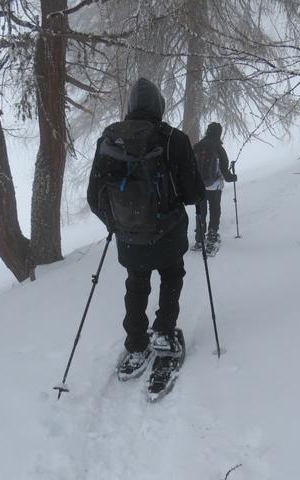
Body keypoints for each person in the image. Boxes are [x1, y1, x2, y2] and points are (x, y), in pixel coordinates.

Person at [87, 78, 204, 381]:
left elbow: (94, 196)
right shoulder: (173, 139)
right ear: (158, 107)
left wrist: (118, 224)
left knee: (136, 283)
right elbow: (193, 193)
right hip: (168, 233)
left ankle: (136, 344)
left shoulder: (109, 140)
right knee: (170, 277)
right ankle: (164, 333)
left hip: (129, 238)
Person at [193, 122, 238, 252]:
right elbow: (224, 172)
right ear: (219, 133)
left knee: (201, 212)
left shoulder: (197, 146)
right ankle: (212, 238)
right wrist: (232, 177)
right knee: (214, 210)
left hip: (199, 186)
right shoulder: (219, 149)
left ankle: (199, 239)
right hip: (215, 186)